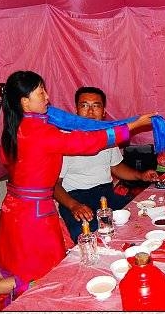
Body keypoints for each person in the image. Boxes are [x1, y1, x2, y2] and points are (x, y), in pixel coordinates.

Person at [0, 71, 154, 311]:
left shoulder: (15, 126)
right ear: (25, 101)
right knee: (49, 270)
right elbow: (87, 143)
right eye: (41, 93)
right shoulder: (41, 132)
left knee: (14, 261)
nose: (47, 97)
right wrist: (132, 125)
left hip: (14, 207)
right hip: (34, 213)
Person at [54, 86, 159, 242]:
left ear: (103, 112)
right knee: (90, 238)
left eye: (96, 106)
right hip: (76, 198)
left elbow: (116, 166)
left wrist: (141, 175)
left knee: (144, 217)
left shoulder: (109, 135)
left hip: (106, 195)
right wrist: (74, 205)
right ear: (76, 110)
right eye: (84, 105)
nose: (90, 111)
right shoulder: (65, 140)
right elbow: (54, 185)